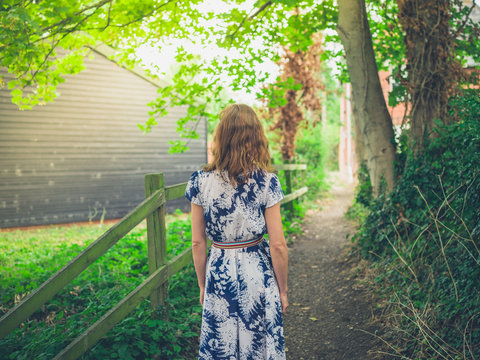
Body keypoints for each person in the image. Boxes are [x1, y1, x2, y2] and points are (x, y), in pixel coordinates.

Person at [185, 103, 289, 360]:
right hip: (257, 271)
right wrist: (283, 290)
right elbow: (278, 245)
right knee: (259, 346)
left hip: (219, 271)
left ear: (221, 136)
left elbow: (198, 243)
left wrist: (202, 284)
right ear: (256, 137)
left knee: (222, 345)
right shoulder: (267, 181)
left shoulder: (199, 180)